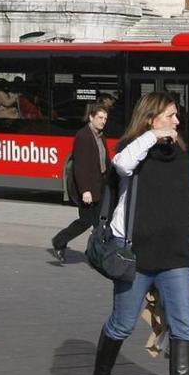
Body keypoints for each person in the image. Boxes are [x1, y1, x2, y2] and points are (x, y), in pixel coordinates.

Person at [93, 91, 189, 375]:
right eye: (170, 116)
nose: (177, 121)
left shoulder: (180, 154)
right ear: (151, 119)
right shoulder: (135, 150)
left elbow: (188, 203)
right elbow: (122, 164)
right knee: (123, 324)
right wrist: (153, 136)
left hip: (175, 255)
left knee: (184, 326)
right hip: (136, 254)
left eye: (176, 115)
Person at [50, 104, 109, 262]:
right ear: (91, 117)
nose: (103, 121)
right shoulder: (83, 136)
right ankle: (59, 241)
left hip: (99, 185)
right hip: (88, 188)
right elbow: (80, 166)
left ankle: (96, 254)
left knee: (99, 222)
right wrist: (85, 191)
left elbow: (104, 161)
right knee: (85, 221)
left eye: (105, 118)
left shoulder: (100, 135)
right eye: (100, 118)